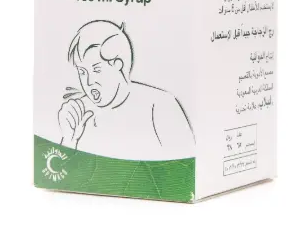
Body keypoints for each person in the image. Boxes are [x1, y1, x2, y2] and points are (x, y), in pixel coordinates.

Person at [58, 20, 194, 160]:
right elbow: (62, 171)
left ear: (118, 64)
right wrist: (68, 140)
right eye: (82, 72)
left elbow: (184, 166)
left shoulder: (159, 105)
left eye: (97, 70)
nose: (89, 81)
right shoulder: (78, 113)